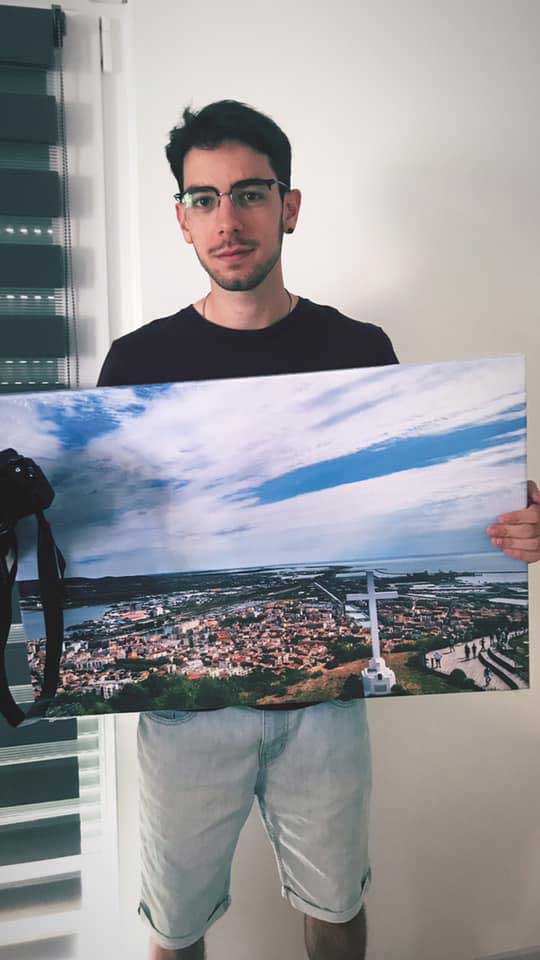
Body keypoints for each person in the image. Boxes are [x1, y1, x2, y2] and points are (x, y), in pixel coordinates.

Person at [97, 100, 540, 960]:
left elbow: (416, 520)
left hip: (327, 709)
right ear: (182, 220)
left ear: (289, 206)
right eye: (204, 198)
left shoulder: (359, 347)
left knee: (336, 907)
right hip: (185, 714)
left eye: (251, 193)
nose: (229, 220)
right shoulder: (134, 364)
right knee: (173, 925)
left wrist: (510, 521)